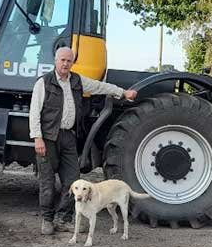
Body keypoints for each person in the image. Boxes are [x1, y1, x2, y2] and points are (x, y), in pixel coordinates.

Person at [29, 47, 137, 235]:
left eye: (69, 61)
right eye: (62, 60)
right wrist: (37, 137)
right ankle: (47, 220)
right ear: (55, 61)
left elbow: (99, 86)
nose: (65, 64)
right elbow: (34, 112)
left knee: (72, 180)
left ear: (72, 63)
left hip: (68, 137)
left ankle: (64, 218)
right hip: (48, 138)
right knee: (47, 181)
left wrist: (122, 92)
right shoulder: (43, 83)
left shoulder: (77, 81)